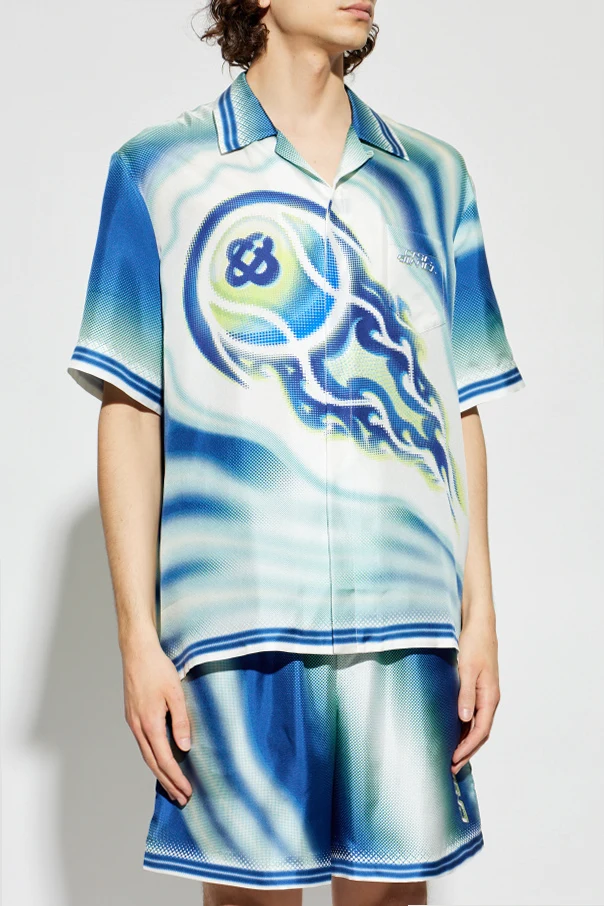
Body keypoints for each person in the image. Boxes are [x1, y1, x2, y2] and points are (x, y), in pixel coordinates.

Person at [66, 0, 526, 903]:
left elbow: (460, 407)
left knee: (391, 894)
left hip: (407, 623)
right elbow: (129, 407)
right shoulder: (159, 169)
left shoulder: (433, 177)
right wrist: (138, 642)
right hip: (236, 627)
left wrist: (480, 617)